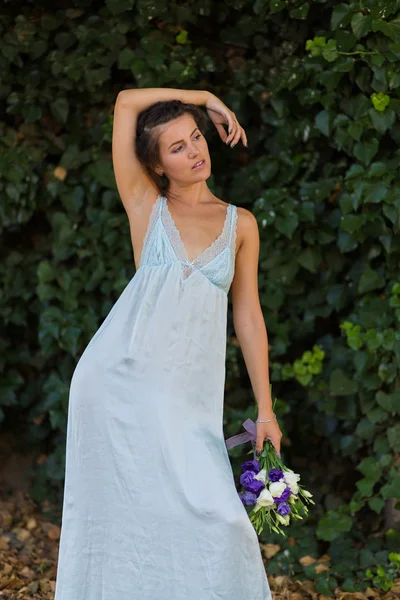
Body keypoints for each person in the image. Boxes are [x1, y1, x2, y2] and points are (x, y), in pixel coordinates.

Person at [53, 87, 282, 600]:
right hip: (117, 384)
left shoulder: (239, 224)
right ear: (157, 166)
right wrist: (204, 97)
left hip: (186, 399)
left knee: (218, 518)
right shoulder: (145, 206)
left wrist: (265, 409)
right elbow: (124, 103)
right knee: (130, 519)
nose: (195, 150)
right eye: (176, 147)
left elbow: (248, 316)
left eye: (196, 135)